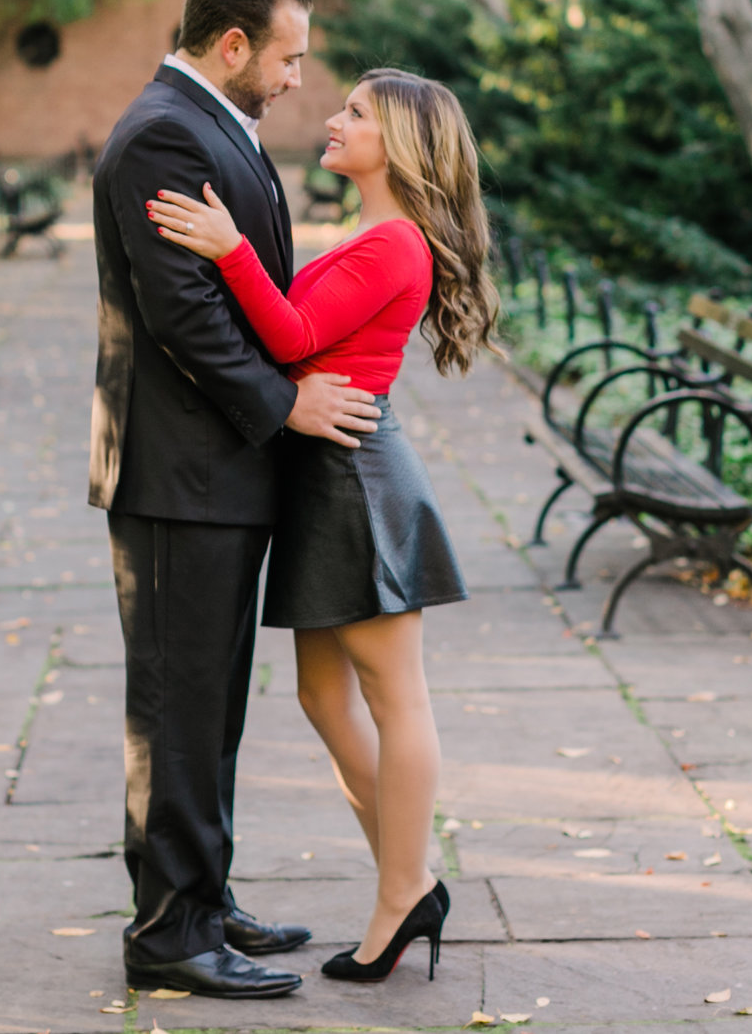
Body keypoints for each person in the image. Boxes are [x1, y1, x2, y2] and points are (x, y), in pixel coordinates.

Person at [146, 68, 499, 983]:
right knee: (321, 696)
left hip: (358, 480)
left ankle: (398, 896)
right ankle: (410, 875)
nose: (332, 119)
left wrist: (229, 248)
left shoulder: (396, 244)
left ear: (402, 144)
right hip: (324, 476)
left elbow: (295, 334)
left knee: (395, 697)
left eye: (355, 113)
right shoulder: (371, 234)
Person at [88, 0, 383, 1000]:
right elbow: (184, 314)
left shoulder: (213, 122)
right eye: (289, 56)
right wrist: (285, 401)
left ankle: (202, 898)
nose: (298, 76)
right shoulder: (165, 133)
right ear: (232, 45)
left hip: (216, 474)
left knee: (211, 703)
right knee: (176, 706)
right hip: (181, 474)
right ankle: (168, 932)